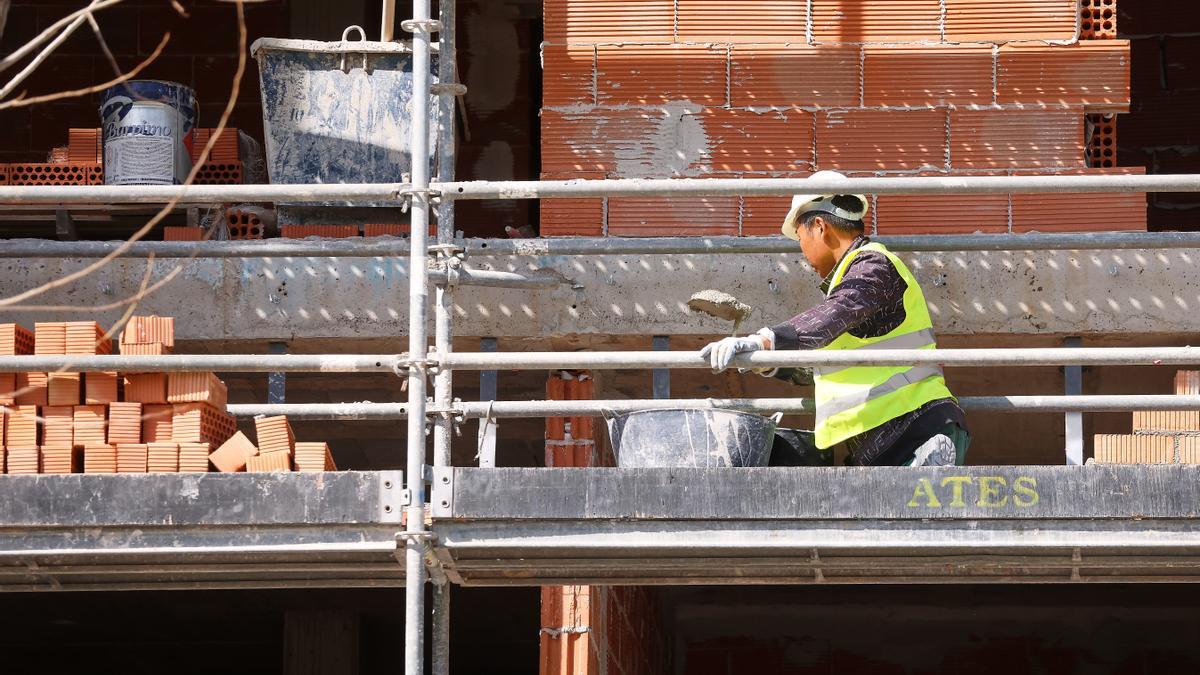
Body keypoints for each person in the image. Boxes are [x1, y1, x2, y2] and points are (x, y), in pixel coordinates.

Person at [700, 171, 969, 467]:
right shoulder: (851, 282)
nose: (802, 253)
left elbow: (836, 313)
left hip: (916, 431)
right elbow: (819, 365)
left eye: (800, 238)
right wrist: (767, 362)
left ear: (819, 226)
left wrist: (764, 341)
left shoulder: (874, 266)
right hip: (882, 448)